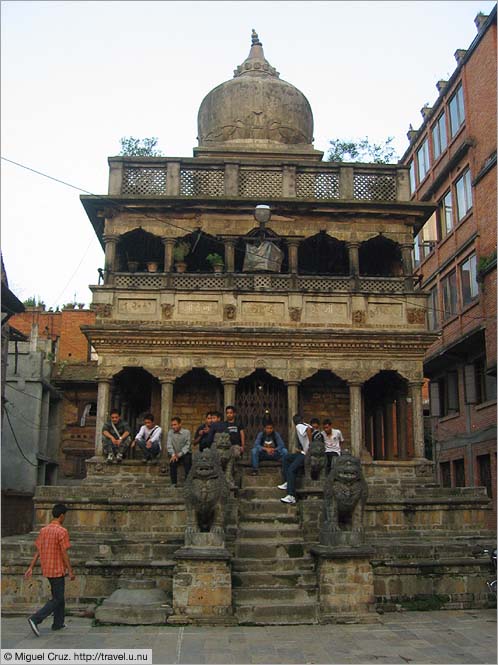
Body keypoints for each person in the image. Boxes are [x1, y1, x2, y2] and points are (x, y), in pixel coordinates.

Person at [24, 504, 75, 636]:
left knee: (59, 597)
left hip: (47, 568)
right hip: (57, 569)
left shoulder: (44, 530)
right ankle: (35, 619)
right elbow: (64, 553)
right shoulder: (62, 531)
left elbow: (38, 551)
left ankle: (58, 623)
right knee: (57, 599)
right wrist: (70, 570)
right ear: (62, 515)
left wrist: (31, 567)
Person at [279, 414, 312, 505]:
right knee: (286, 458)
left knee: (291, 470)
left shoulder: (299, 426)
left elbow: (308, 430)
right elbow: (309, 429)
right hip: (303, 452)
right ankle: (287, 481)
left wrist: (311, 445)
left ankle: (291, 496)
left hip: (306, 455)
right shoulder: (305, 424)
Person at [166, 416, 192, 487]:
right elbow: (169, 445)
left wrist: (179, 455)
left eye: (175, 424)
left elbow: (187, 445)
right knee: (172, 462)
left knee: (188, 461)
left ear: (180, 424)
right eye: (172, 425)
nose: (173, 426)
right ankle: (173, 483)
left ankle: (188, 483)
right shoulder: (170, 433)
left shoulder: (186, 432)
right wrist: (173, 455)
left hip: (184, 453)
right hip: (174, 454)